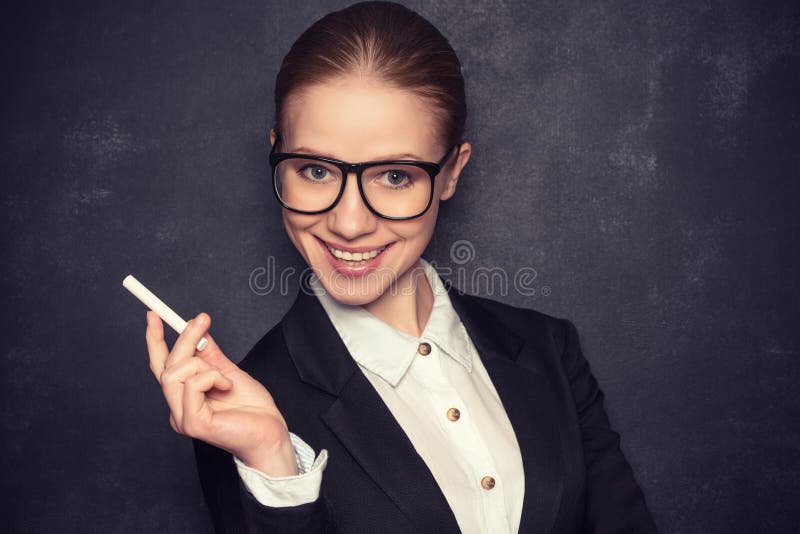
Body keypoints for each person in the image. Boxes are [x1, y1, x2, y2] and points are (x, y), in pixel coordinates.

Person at [143, 2, 658, 532]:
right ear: (278, 155)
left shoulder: (551, 348)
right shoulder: (237, 413)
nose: (347, 223)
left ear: (451, 173)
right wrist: (274, 462)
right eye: (315, 170)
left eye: (394, 176)